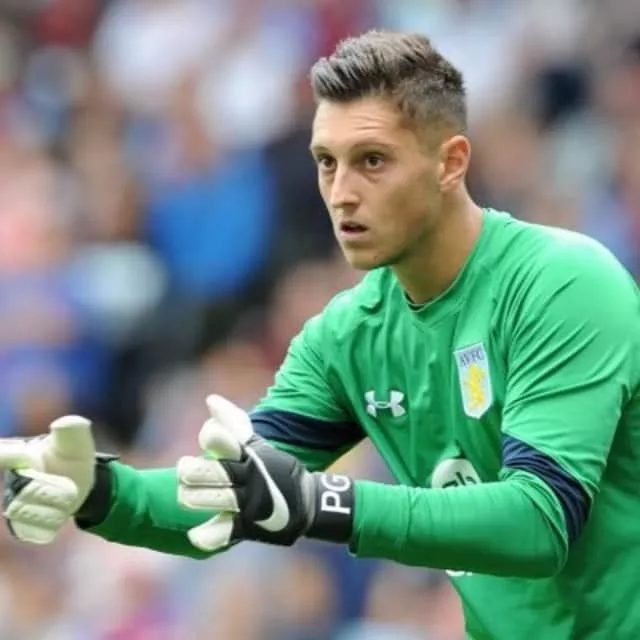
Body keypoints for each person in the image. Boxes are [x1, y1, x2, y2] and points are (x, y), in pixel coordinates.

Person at [1, 30, 639, 640]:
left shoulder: (563, 283)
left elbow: (539, 522)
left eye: (372, 161)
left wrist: (322, 502)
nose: (341, 193)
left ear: (450, 163)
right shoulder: (348, 335)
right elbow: (229, 491)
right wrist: (102, 492)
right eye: (327, 163)